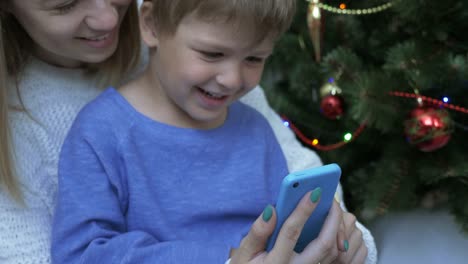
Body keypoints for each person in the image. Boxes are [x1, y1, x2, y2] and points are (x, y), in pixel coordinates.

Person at [0, 0, 376, 263]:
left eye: (255, 59)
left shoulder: (251, 124)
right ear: (151, 26)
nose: (231, 79)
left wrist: (339, 242)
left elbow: (296, 220)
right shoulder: (101, 131)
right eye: (212, 55)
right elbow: (85, 254)